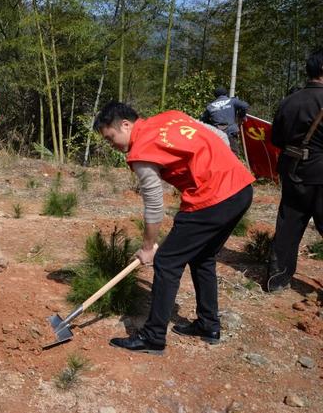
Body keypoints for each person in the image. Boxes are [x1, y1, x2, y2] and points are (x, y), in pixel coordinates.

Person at [94, 101, 254, 355]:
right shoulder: (171, 116)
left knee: (167, 262)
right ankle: (208, 325)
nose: (111, 144)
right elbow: (220, 137)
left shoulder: (141, 151)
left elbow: (155, 205)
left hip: (211, 198)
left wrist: (148, 247)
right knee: (203, 257)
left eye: (110, 137)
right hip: (241, 188)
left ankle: (153, 337)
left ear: (125, 125)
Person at [267, 48, 323, 292]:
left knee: (288, 225)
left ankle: (276, 280)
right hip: (320, 172)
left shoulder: (289, 100)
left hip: (291, 170)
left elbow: (276, 139)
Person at [201, 86, 249, 155]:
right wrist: (241, 116)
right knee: (234, 155)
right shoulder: (232, 101)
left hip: (218, 134)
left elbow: (203, 121)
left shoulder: (210, 106)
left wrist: (213, 125)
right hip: (231, 132)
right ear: (226, 94)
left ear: (215, 96)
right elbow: (245, 106)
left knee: (221, 155)